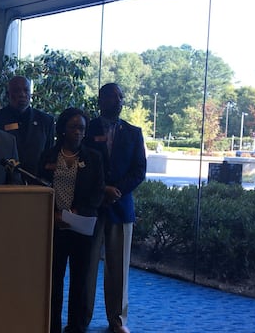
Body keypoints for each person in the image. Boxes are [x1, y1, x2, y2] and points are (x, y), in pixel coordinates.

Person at [83, 83, 147, 333]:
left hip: (121, 208)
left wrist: (116, 190)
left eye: (121, 97)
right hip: (91, 207)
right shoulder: (86, 130)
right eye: (112, 97)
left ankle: (117, 320)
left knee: (119, 268)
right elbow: (82, 165)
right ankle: (81, 319)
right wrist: (102, 190)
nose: (118, 101)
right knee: (86, 268)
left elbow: (139, 170)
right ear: (100, 100)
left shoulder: (133, 132)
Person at [38, 108, 105, 333]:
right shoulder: (48, 155)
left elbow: (97, 193)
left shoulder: (93, 158)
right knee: (53, 281)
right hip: (54, 226)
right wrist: (54, 213)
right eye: (73, 127)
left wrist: (78, 211)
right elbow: (39, 189)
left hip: (81, 228)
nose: (78, 132)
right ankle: (52, 326)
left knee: (80, 281)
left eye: (82, 128)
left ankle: (75, 327)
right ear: (63, 129)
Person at [0, 75, 55, 179]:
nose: (22, 94)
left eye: (26, 90)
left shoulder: (46, 121)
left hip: (36, 183)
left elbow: (49, 155)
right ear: (8, 94)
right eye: (17, 90)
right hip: (4, 183)